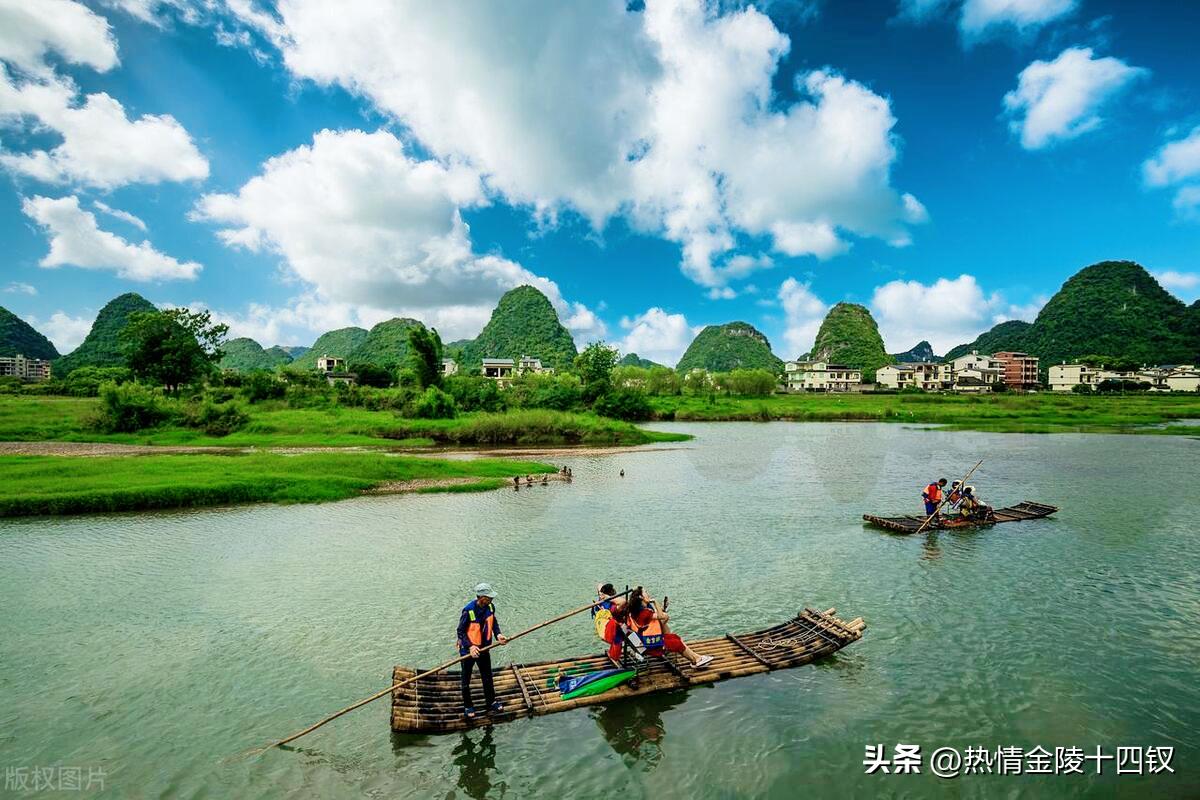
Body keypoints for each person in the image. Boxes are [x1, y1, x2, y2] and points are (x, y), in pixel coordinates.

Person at [617, 588, 714, 669]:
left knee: (674, 637)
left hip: (646, 641)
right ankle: (696, 660)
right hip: (652, 645)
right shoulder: (644, 613)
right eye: (645, 592)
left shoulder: (638, 611)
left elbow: (657, 617)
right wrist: (655, 601)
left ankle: (696, 658)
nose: (648, 593)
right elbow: (662, 616)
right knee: (675, 642)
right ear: (641, 597)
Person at [457, 583, 508, 719]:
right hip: (468, 651)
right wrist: (470, 647)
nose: (491, 599)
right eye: (488, 597)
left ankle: (491, 702)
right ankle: (468, 706)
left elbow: (493, 623)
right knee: (465, 679)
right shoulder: (468, 611)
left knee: (487, 676)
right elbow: (460, 632)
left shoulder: (490, 607)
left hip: (484, 649)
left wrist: (498, 635)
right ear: (481, 597)